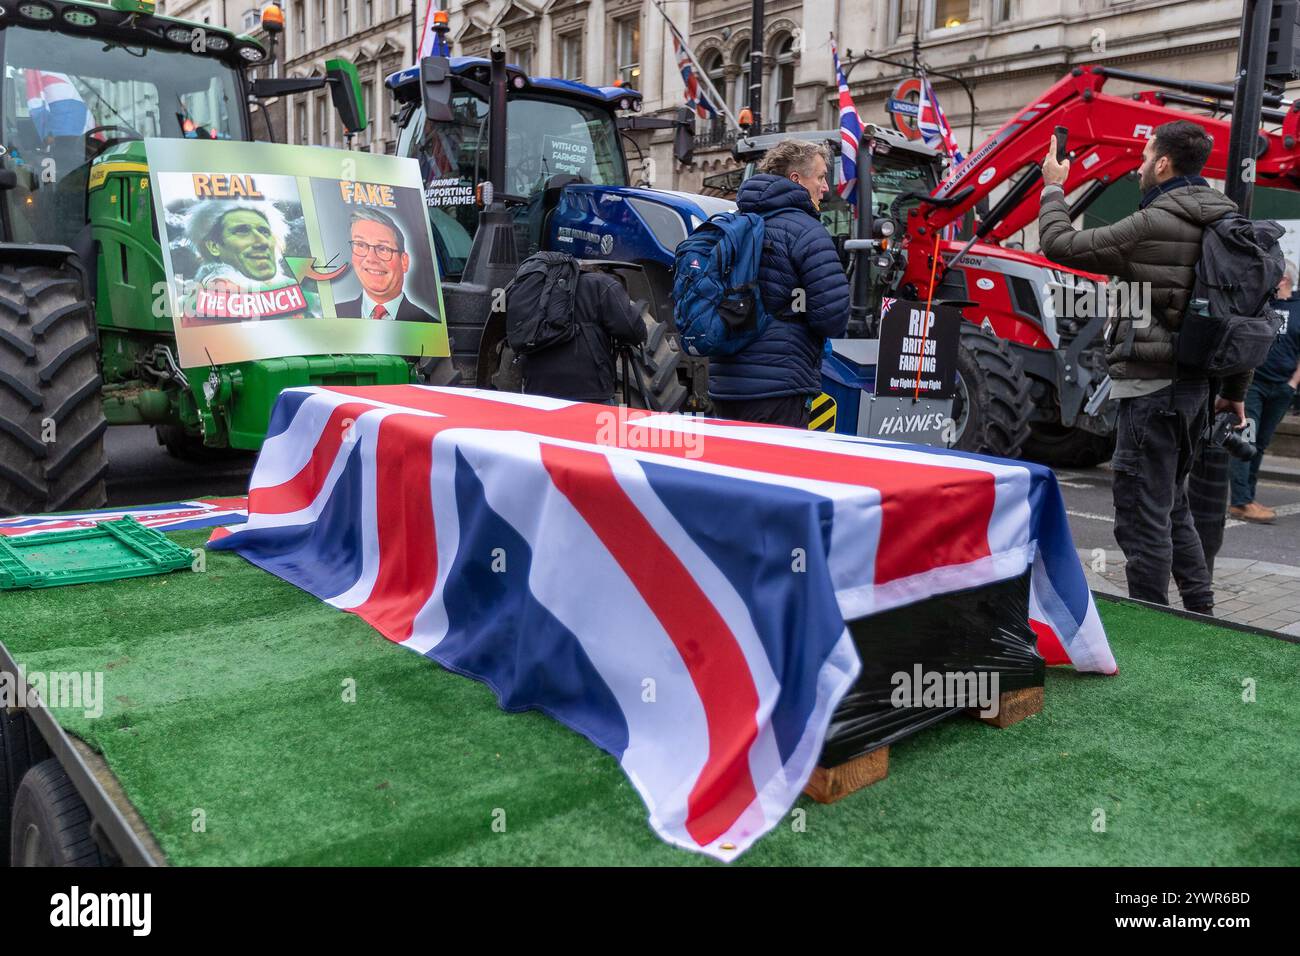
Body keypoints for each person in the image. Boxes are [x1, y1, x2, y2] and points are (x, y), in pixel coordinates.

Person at [1038, 120, 1247, 614]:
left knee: (1140, 516)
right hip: (1198, 390)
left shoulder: (1154, 222)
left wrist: (1053, 185)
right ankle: (1201, 610)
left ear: (1163, 163)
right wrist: (1234, 390)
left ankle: (1150, 623)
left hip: (1150, 391)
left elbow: (1059, 244)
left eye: (1143, 156)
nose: (1137, 166)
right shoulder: (1226, 218)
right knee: (1173, 507)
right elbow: (1246, 311)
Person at [707, 140, 850, 427]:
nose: (826, 188)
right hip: (780, 387)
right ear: (796, 179)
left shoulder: (735, 224)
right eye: (821, 177)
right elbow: (832, 318)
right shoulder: (807, 232)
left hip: (724, 384)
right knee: (771, 468)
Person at [1228, 260, 1300, 522]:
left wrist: (1292, 384)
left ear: (1283, 280)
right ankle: (1240, 501)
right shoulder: (1261, 303)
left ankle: (1249, 496)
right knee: (1246, 439)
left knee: (1260, 444)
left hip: (1281, 388)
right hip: (1253, 385)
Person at [519, 268, 647, 404]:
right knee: (597, 424)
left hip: (537, 391)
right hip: (591, 391)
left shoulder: (531, 288)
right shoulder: (601, 284)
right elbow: (632, 330)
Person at [184, 200, 317, 321]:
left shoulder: (287, 293)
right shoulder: (214, 296)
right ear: (214, 246)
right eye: (243, 231)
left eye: (264, 231)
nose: (263, 241)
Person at [335, 207, 438, 322]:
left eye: (383, 248)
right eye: (361, 245)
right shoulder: (332, 316)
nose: (371, 258)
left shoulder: (429, 324)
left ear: (404, 261)